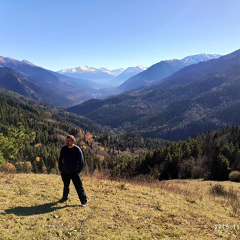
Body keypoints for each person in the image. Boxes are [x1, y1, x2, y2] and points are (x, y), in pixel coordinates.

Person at [58, 135, 87, 207]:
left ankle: (84, 201)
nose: (67, 142)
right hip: (65, 171)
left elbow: (81, 161)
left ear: (73, 141)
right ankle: (64, 198)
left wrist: (78, 171)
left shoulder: (77, 150)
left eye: (69, 141)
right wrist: (60, 169)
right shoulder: (64, 149)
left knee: (79, 187)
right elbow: (60, 159)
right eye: (66, 141)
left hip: (74, 172)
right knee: (66, 186)